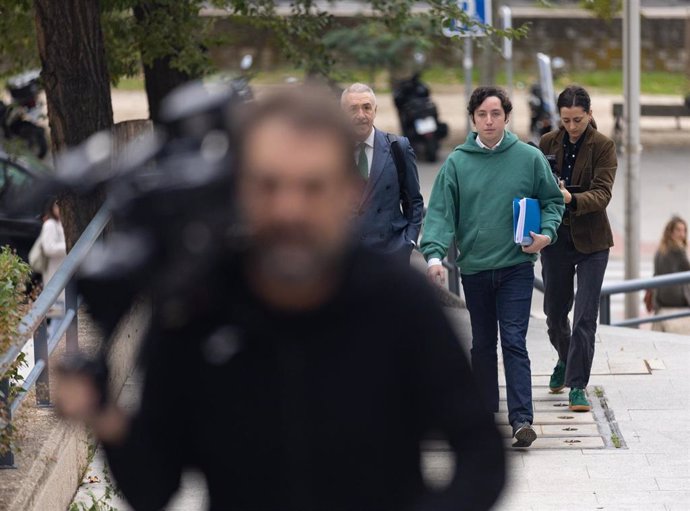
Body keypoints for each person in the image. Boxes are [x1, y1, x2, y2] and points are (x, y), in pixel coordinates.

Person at [55, 88, 505, 511]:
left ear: (350, 194)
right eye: (269, 185)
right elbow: (154, 488)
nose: (289, 210)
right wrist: (102, 414)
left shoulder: (400, 302)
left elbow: (482, 456)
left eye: (312, 187)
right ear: (239, 189)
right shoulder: (196, 306)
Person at [421, 86, 565, 448]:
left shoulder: (529, 158)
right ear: (472, 118)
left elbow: (552, 202)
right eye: (482, 114)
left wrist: (546, 235)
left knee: (514, 340)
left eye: (496, 114)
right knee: (483, 344)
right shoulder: (457, 162)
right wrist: (435, 256)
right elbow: (440, 213)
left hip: (516, 265)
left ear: (507, 116)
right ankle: (485, 417)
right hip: (475, 269)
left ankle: (521, 421)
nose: (489, 121)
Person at [538, 85, 617, 412]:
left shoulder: (604, 146)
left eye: (578, 120)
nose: (571, 126)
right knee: (555, 313)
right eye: (566, 120)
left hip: (592, 241)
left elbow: (602, 194)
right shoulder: (547, 143)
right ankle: (564, 358)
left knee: (585, 315)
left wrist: (571, 198)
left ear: (590, 114)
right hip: (555, 238)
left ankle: (577, 385)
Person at [341, 83, 424, 263]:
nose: (361, 115)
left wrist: (407, 242)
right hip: (345, 262)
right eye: (353, 109)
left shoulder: (398, 147)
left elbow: (414, 201)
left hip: (390, 257)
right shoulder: (331, 153)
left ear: (375, 111)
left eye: (366, 107)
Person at [645, 216, 690, 334]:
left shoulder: (660, 250)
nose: (682, 234)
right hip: (676, 299)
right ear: (671, 232)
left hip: (661, 299)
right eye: (678, 230)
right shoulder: (678, 250)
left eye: (684, 230)